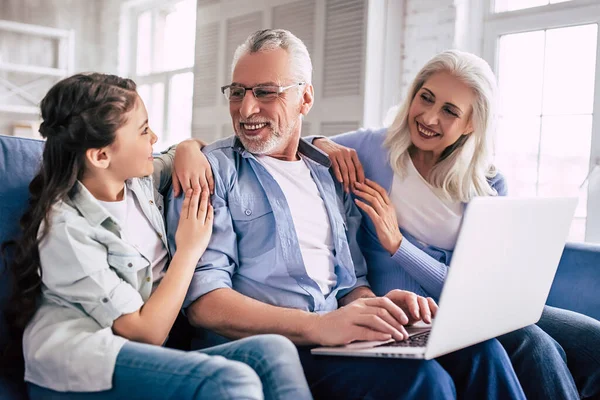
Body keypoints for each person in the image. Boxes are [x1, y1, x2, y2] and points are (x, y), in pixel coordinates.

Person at [167, 29, 526, 400]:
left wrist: (378, 308)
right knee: (424, 380)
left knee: (482, 353)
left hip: (333, 339)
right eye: (238, 91)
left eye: (266, 92)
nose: (246, 109)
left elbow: (350, 283)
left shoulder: (331, 173)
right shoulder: (212, 172)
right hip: (269, 348)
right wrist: (320, 326)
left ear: (305, 98)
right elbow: (204, 304)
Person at [2, 73, 312, 400]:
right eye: (142, 130)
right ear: (100, 156)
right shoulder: (65, 229)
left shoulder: (138, 183)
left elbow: (183, 150)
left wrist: (189, 149)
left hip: (135, 359)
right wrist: (188, 251)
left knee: (273, 350)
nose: (154, 137)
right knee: (229, 380)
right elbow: (146, 332)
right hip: (80, 367)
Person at [312, 49, 600, 400]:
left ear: (471, 124)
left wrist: (399, 246)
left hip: (478, 306)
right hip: (415, 310)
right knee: (534, 345)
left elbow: (474, 290)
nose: (429, 117)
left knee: (593, 340)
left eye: (449, 111)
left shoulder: (489, 183)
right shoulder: (375, 149)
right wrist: (323, 142)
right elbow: (294, 145)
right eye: (426, 98)